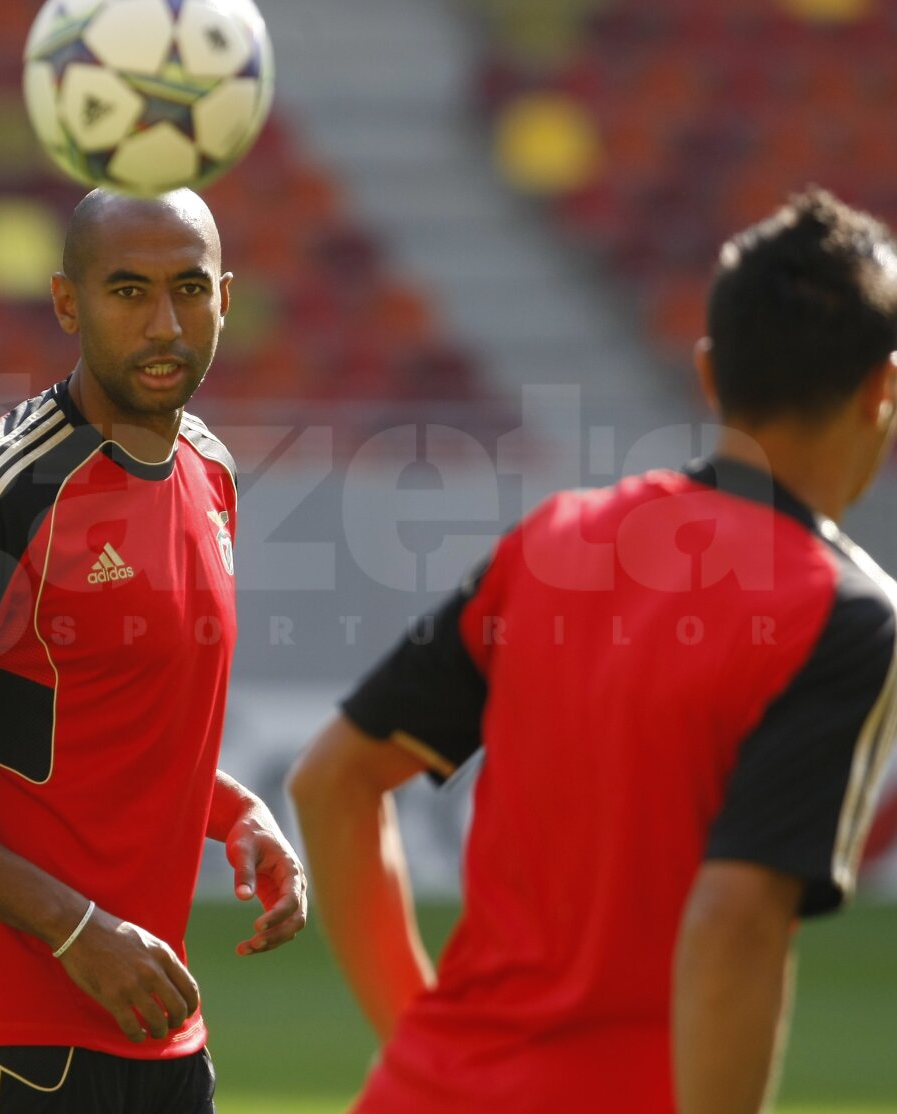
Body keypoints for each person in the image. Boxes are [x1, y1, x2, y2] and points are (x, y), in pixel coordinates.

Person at [288, 186, 897, 1114]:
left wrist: (425, 1047)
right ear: (883, 387)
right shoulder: (847, 616)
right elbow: (734, 921)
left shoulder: (554, 540)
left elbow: (332, 781)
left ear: (708, 374)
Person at [0, 187, 306, 1114]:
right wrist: (76, 930)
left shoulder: (210, 469)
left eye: (188, 290)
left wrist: (235, 812)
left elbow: (94, 722)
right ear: (67, 303)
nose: (164, 324)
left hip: (158, 1036)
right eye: (128, 292)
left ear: (226, 299)